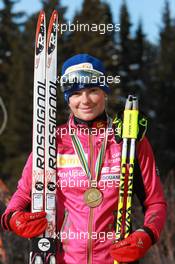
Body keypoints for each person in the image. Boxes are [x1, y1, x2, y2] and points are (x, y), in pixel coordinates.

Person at [1, 54, 166, 264]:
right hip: (62, 259)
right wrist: (14, 219)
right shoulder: (51, 142)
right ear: (67, 98)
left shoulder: (129, 140)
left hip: (115, 259)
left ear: (105, 92)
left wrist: (147, 235)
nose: (85, 100)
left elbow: (156, 202)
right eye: (76, 93)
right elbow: (22, 197)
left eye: (93, 91)